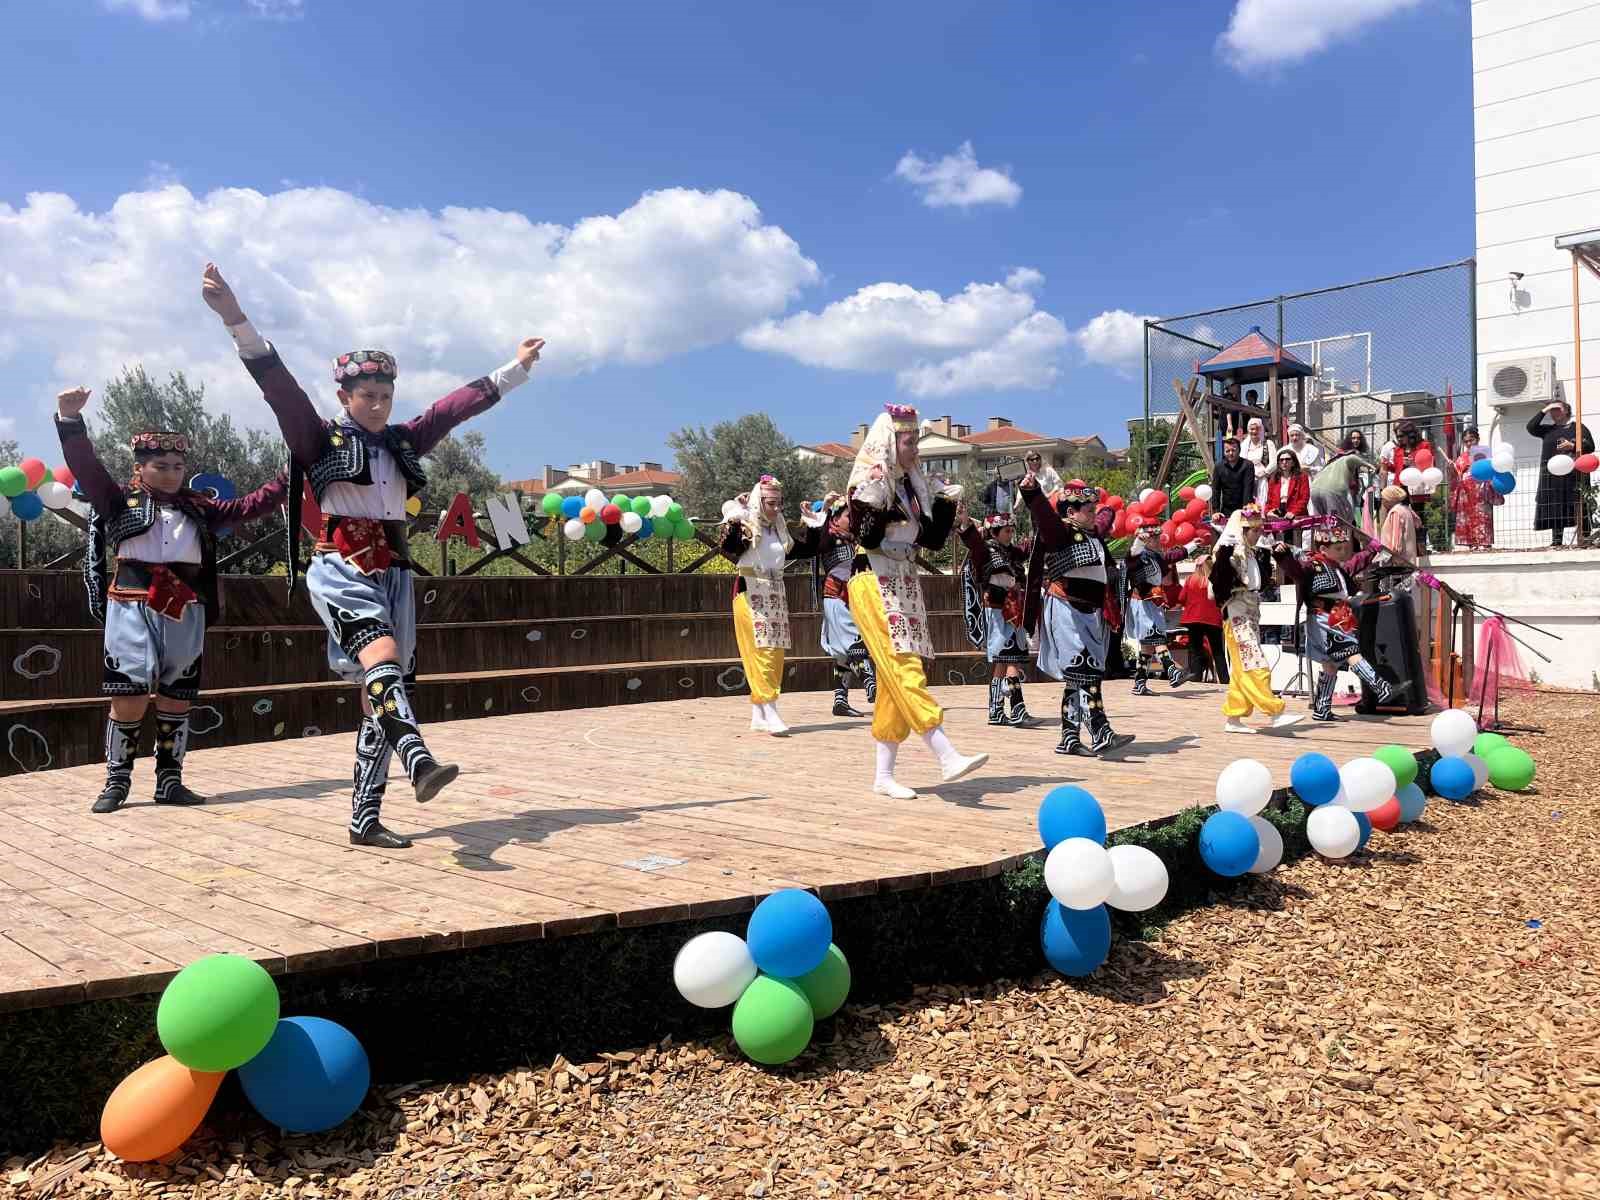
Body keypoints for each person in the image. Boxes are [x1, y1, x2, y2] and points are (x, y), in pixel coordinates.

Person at [203, 263, 545, 849]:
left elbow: (456, 406)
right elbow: (278, 387)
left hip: (394, 569)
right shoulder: (318, 439)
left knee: (381, 696)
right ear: (344, 396)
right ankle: (418, 759)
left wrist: (515, 369)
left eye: (387, 396)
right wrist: (236, 319)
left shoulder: (403, 441)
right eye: (369, 396)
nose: (380, 405)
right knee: (382, 657)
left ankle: (365, 817)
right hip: (342, 563)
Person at [54, 387, 287, 814]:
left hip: (184, 604)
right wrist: (70, 420)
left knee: (178, 694)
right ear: (139, 468)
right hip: (130, 603)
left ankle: (169, 780)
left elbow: (252, 505)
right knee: (128, 692)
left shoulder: (200, 507)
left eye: (178, 466)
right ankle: (116, 782)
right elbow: (85, 467)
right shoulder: (115, 501)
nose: (171, 473)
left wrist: (288, 477)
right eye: (161, 466)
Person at [847, 404, 987, 798]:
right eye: (910, 443)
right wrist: (874, 499)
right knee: (902, 663)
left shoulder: (910, 486)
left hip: (903, 578)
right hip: (872, 577)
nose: (916, 451)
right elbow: (869, 538)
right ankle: (944, 752)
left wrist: (943, 504)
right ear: (890, 444)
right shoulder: (867, 483)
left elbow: (932, 541)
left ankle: (883, 775)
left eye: (915, 442)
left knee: (897, 678)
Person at [1021, 476, 1135, 757]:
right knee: (1085, 672)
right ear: (1071, 511)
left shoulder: (1093, 535)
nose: (1093, 512)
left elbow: (1106, 517)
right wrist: (1033, 493)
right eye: (1087, 509)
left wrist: (1105, 506)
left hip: (1088, 611)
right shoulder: (1060, 533)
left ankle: (1069, 738)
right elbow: (1045, 518)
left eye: (1093, 508)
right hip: (1067, 608)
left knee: (1078, 676)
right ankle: (1100, 731)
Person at [718, 475, 823, 735]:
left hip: (775, 592)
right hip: (749, 590)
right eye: (771, 503)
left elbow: (808, 550)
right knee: (762, 651)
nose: (776, 509)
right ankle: (771, 709)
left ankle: (759, 712)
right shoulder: (747, 524)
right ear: (759, 500)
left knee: (774, 652)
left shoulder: (780, 529)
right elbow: (728, 549)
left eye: (779, 503)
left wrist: (812, 522)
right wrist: (737, 516)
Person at [1274, 526, 1401, 721]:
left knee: (1331, 664)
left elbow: (1356, 562)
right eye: (1338, 549)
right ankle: (1380, 687)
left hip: (1340, 613)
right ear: (1323, 549)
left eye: (1344, 548)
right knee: (1351, 651)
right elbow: (1295, 570)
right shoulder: (1312, 565)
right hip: (1324, 615)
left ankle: (1322, 709)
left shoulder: (1339, 568)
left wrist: (1372, 550)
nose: (1343, 552)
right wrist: (1282, 555)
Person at [1209, 504, 1302, 734]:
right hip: (1236, 613)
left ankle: (1234, 717)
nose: (1259, 533)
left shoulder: (1250, 551)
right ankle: (1274, 711)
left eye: (1260, 529)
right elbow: (1217, 582)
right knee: (1255, 661)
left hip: (1249, 611)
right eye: (1254, 530)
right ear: (1242, 530)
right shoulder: (1229, 552)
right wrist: (1225, 546)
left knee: (1242, 667)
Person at [957, 507, 1033, 726]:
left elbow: (1028, 550)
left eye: (1011, 530)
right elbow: (974, 543)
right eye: (1006, 531)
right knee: (1010, 657)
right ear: (995, 532)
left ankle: (996, 710)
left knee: (1003, 660)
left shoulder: (1012, 552)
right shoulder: (986, 550)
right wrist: (965, 524)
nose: (1010, 534)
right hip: (999, 610)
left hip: (1013, 609)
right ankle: (1017, 709)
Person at [812, 492, 876, 716]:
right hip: (837, 594)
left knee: (842, 653)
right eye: (849, 515)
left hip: (856, 595)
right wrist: (826, 509)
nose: (852, 520)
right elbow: (817, 540)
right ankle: (870, 682)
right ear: (836, 519)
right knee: (853, 641)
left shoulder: (855, 539)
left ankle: (840, 700)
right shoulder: (828, 537)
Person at [1122, 527, 1190, 696]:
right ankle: (1172, 671)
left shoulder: (1155, 556)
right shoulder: (1138, 556)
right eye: (1156, 539)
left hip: (1152, 603)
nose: (1160, 541)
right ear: (1148, 541)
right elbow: (1133, 553)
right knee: (1157, 637)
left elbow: (1172, 556)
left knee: (1147, 647)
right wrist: (1139, 540)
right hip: (1142, 603)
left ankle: (1139, 683)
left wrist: (1191, 546)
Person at [1527, 400, 1596, 546]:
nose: (1553, 413)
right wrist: (1545, 410)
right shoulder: (1548, 430)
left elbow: (1590, 446)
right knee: (1556, 505)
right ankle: (1556, 541)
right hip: (1553, 477)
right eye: (1552, 410)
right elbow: (1531, 427)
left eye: (1557, 409)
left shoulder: (1577, 427)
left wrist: (1573, 445)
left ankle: (1584, 539)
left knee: (1578, 504)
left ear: (1566, 411)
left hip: (1574, 475)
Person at [1179, 553, 1227, 684]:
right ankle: (1224, 680)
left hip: (1193, 618)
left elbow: (1181, 598)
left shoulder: (1190, 580)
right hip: (1213, 618)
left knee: (1196, 650)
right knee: (1217, 651)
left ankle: (1196, 678)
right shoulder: (1216, 580)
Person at [1449, 428, 1499, 549]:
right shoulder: (1461, 458)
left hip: (1482, 490)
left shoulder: (1485, 454)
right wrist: (1451, 468)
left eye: (1471, 440)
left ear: (1477, 439)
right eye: (1466, 441)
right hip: (1466, 492)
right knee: (1468, 518)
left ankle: (1484, 543)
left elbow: (1491, 469)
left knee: (1483, 516)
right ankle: (1472, 544)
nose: (1469, 444)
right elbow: (1455, 476)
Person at [1210, 435, 1256, 517]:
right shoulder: (1218, 467)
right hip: (1226, 510)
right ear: (1224, 452)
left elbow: (1248, 489)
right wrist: (1216, 510)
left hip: (1245, 508)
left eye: (1233, 450)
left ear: (1239, 450)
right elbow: (1216, 490)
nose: (1230, 453)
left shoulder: (1248, 465)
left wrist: (1246, 510)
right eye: (1227, 451)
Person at [1264, 447, 1310, 524]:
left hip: (1295, 515)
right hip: (1277, 514)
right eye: (1281, 460)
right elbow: (1269, 500)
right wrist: (1268, 512)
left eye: (1287, 459)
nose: (1284, 462)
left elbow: (1304, 498)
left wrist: (1293, 512)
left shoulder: (1302, 477)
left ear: (1293, 462)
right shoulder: (1274, 478)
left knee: (1294, 536)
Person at [1238, 415, 1277, 503]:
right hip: (1247, 479)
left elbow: (1274, 462)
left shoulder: (1268, 444)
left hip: (1263, 479)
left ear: (1261, 430)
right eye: (1252, 429)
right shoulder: (1243, 445)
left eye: (1257, 429)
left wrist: (1265, 473)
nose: (1254, 431)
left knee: (1263, 502)